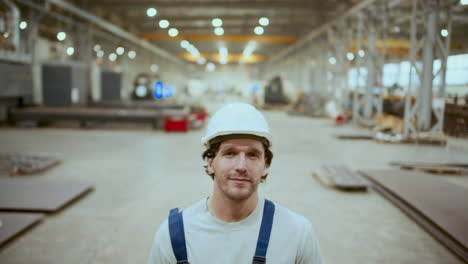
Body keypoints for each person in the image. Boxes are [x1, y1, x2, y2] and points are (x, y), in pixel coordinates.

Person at [147, 102, 323, 264]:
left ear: (265, 164)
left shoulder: (297, 234)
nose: (241, 166)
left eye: (252, 155)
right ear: (210, 162)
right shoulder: (174, 235)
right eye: (230, 153)